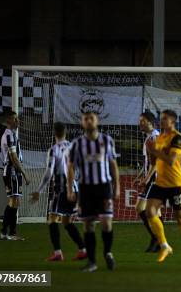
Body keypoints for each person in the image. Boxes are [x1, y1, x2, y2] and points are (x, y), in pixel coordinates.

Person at [67, 111, 120, 272]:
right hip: (85, 189)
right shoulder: (76, 144)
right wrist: (70, 189)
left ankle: (108, 253)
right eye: (86, 119)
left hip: (103, 187)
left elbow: (113, 165)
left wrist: (117, 186)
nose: (89, 121)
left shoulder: (107, 140)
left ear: (97, 121)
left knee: (106, 223)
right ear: (82, 123)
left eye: (92, 118)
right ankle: (92, 261)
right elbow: (71, 167)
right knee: (88, 225)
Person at [145, 109, 181, 264]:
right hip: (161, 183)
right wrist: (151, 152)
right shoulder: (160, 137)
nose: (161, 121)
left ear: (172, 121)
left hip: (176, 184)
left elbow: (170, 160)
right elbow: (153, 162)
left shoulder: (177, 138)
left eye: (165, 119)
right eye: (161, 119)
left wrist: (155, 150)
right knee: (149, 211)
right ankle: (164, 245)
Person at [31, 122, 87, 261]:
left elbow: (49, 172)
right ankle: (83, 249)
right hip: (74, 188)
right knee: (67, 221)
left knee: (51, 219)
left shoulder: (54, 149)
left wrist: (39, 190)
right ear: (65, 132)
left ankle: (57, 253)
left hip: (62, 188)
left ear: (54, 133)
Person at [0, 110, 30, 241]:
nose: (18, 121)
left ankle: (6, 232)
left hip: (13, 172)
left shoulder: (12, 135)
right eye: (15, 119)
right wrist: (25, 174)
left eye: (18, 119)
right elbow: (14, 158)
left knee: (15, 201)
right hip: (12, 171)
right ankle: (9, 233)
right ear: (9, 121)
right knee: (13, 201)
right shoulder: (9, 135)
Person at [135, 111, 160, 252]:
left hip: (155, 179)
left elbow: (156, 163)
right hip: (152, 178)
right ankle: (158, 241)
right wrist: (140, 175)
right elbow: (148, 162)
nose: (140, 123)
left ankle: (156, 239)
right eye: (140, 121)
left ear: (151, 122)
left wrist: (146, 178)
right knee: (156, 213)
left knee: (140, 208)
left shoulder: (155, 138)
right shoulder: (149, 138)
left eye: (143, 121)